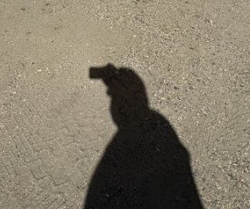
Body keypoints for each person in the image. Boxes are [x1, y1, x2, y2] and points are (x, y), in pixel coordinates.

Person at [85, 65, 205, 209]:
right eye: (115, 99)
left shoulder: (149, 140)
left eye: (121, 100)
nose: (117, 107)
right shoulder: (154, 135)